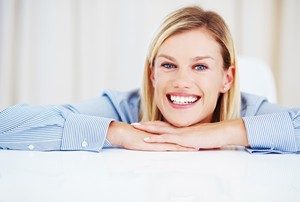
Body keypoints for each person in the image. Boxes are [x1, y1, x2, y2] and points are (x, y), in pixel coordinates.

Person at [0, 6, 299, 154]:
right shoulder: (125, 109)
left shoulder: (250, 112)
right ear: (152, 73)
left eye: (200, 67)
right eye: (169, 65)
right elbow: (6, 126)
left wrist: (224, 133)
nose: (181, 81)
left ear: (227, 78)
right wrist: (117, 133)